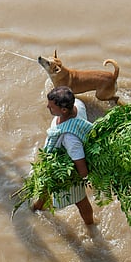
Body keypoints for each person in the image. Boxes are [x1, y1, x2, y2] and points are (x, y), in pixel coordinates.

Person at [31, 86, 95, 225]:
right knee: (46, 185)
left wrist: (72, 179)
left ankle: (90, 225)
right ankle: (37, 208)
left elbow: (82, 169)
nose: (47, 107)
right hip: (54, 163)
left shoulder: (70, 139)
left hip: (68, 171)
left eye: (51, 107)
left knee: (80, 201)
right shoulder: (78, 105)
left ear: (64, 110)